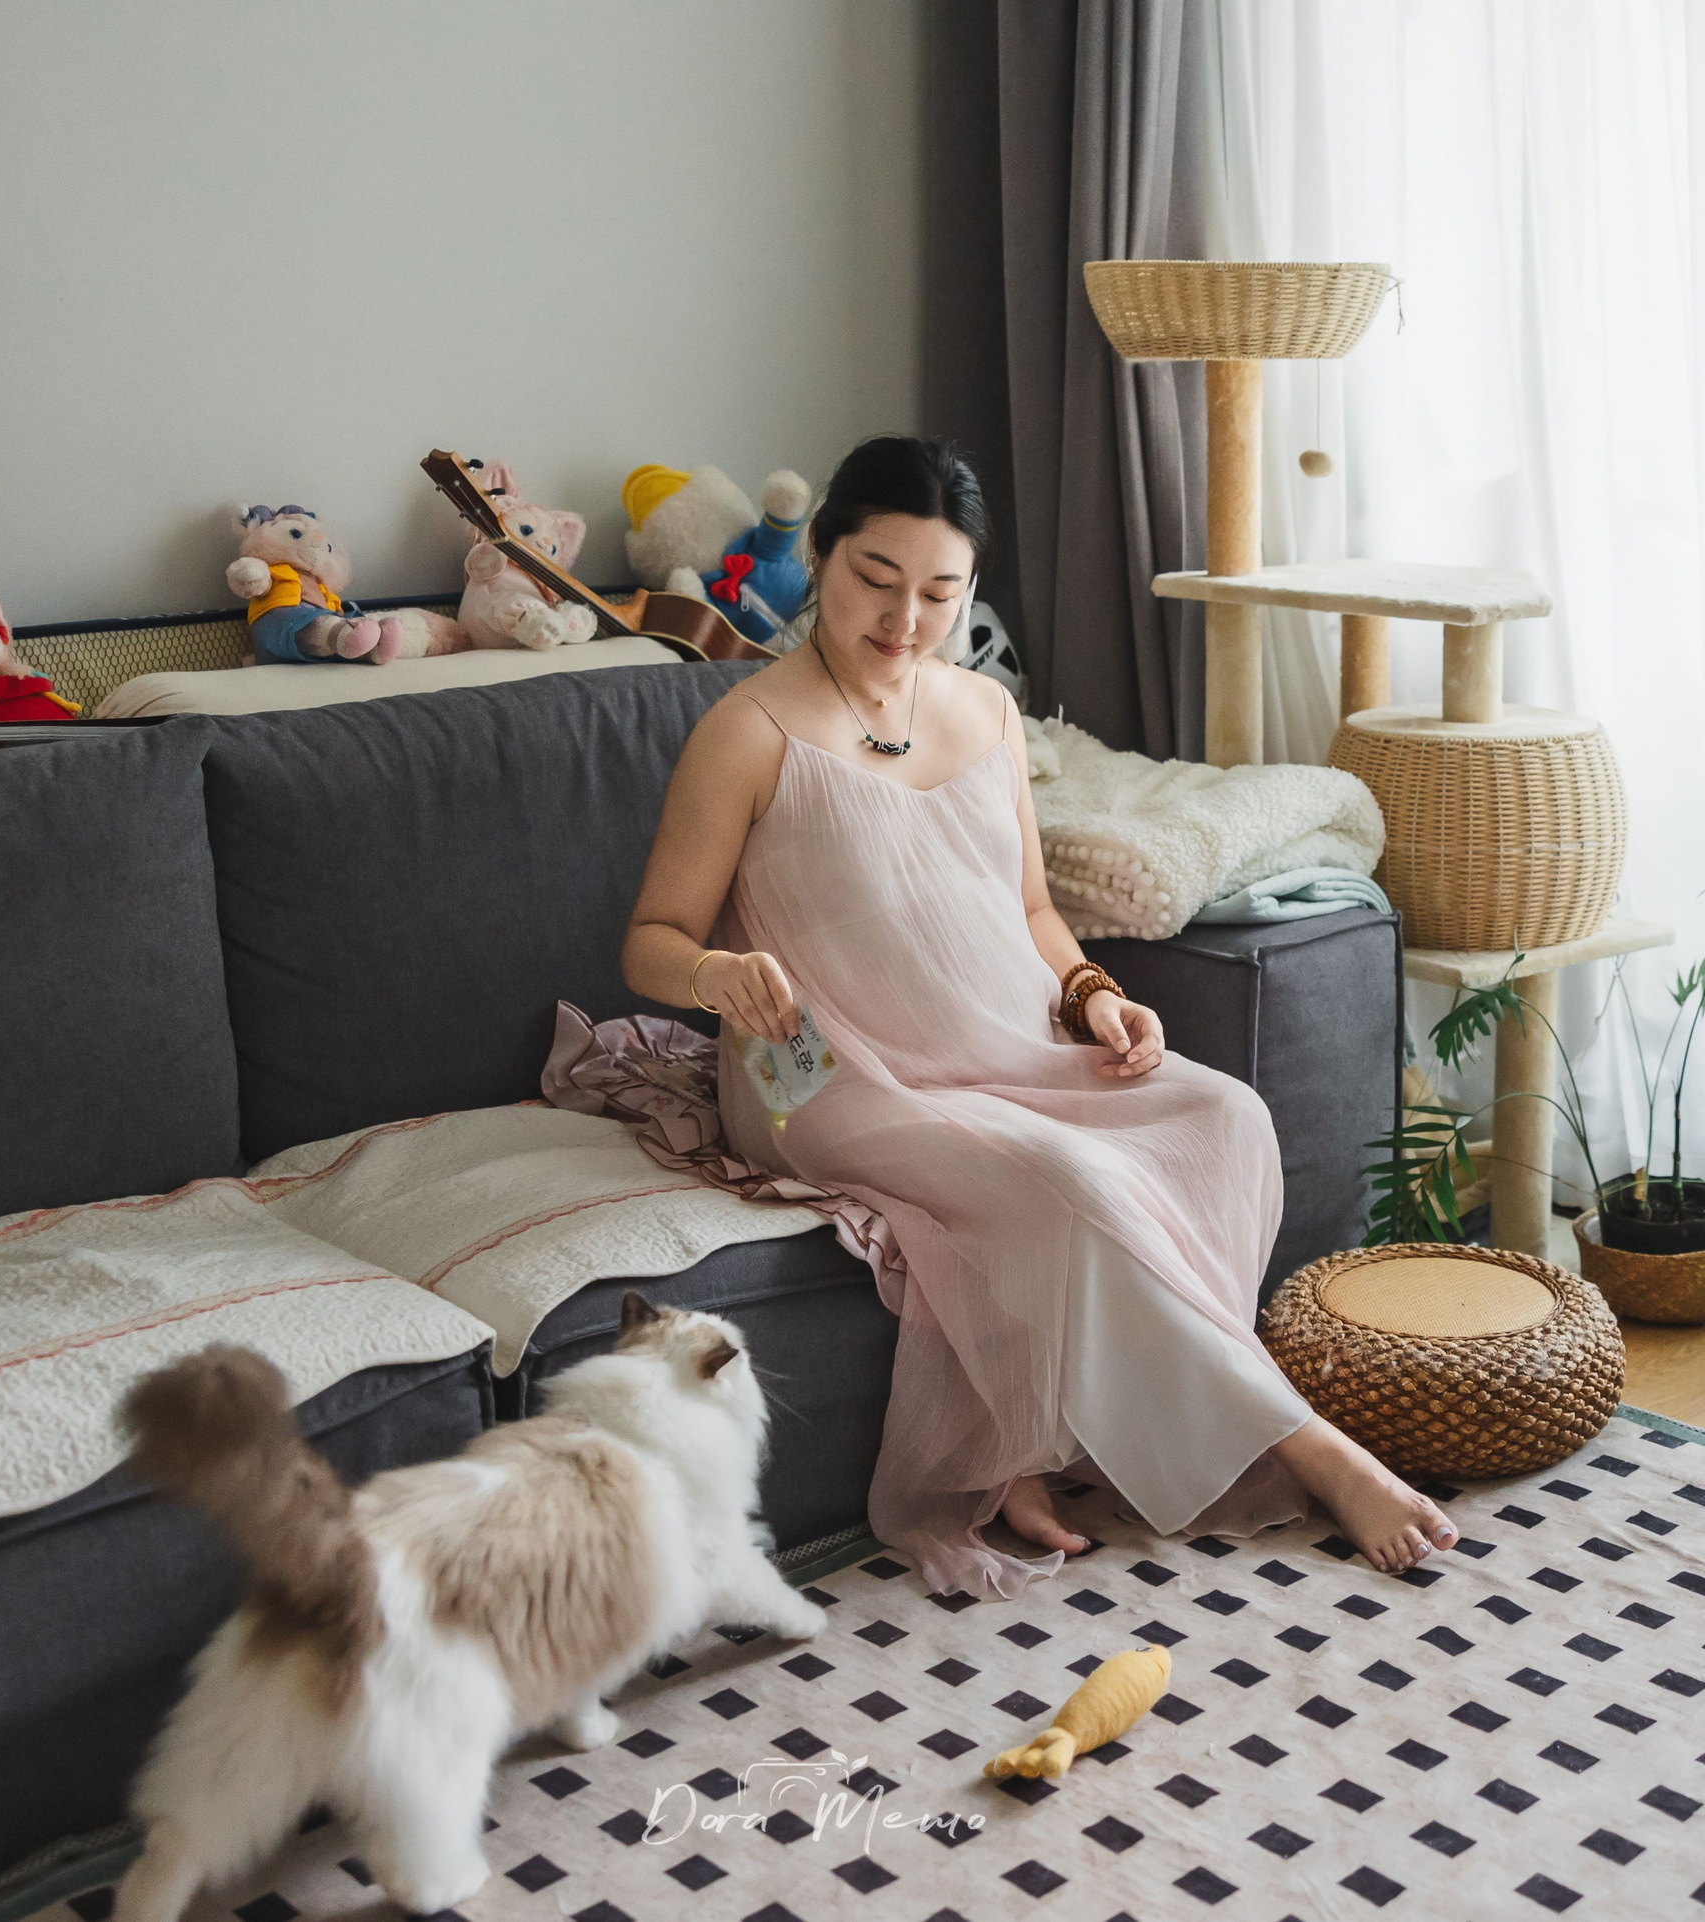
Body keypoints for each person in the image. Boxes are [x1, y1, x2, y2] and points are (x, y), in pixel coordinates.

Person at [619, 435, 1457, 1601]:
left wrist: (1096, 995)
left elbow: (1028, 907)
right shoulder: (750, 732)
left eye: (938, 591)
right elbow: (651, 939)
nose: (904, 616)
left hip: (1006, 1042)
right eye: (874, 576)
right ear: (819, 555)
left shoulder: (987, 713)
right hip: (830, 1077)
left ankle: (1045, 1433)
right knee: (1076, 1181)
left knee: (1226, 1117)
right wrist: (714, 976)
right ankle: (1304, 1443)